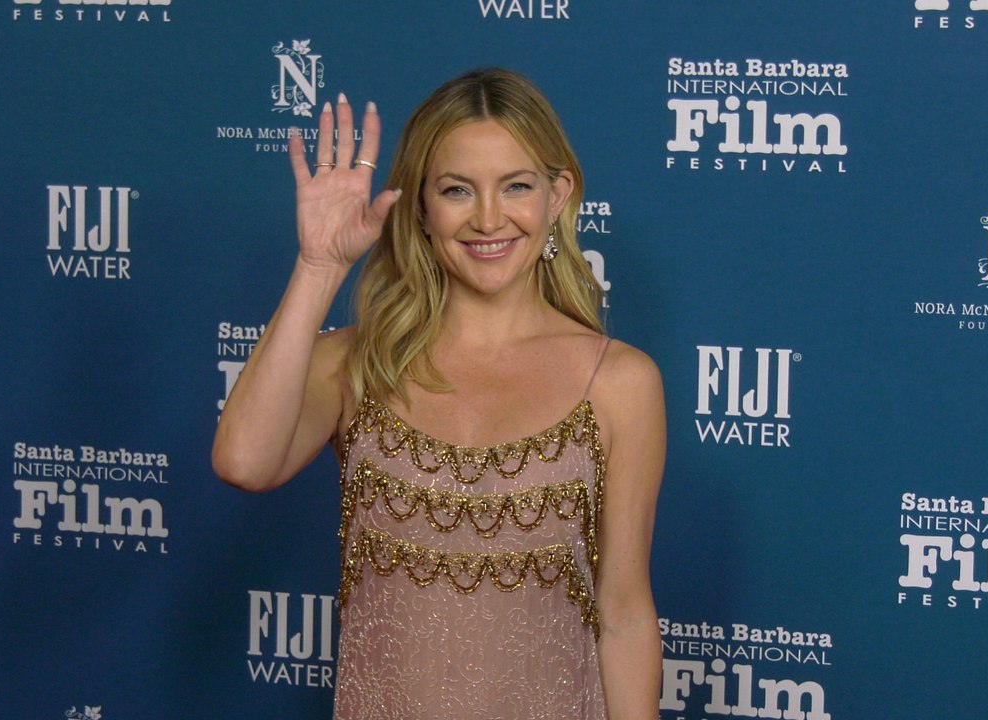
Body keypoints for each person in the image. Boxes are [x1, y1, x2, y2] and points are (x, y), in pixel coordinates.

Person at [213, 68, 665, 720]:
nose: (488, 218)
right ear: (420, 207)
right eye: (457, 190)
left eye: (516, 186)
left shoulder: (621, 383)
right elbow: (244, 462)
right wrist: (319, 267)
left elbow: (623, 614)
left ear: (558, 195)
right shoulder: (356, 361)